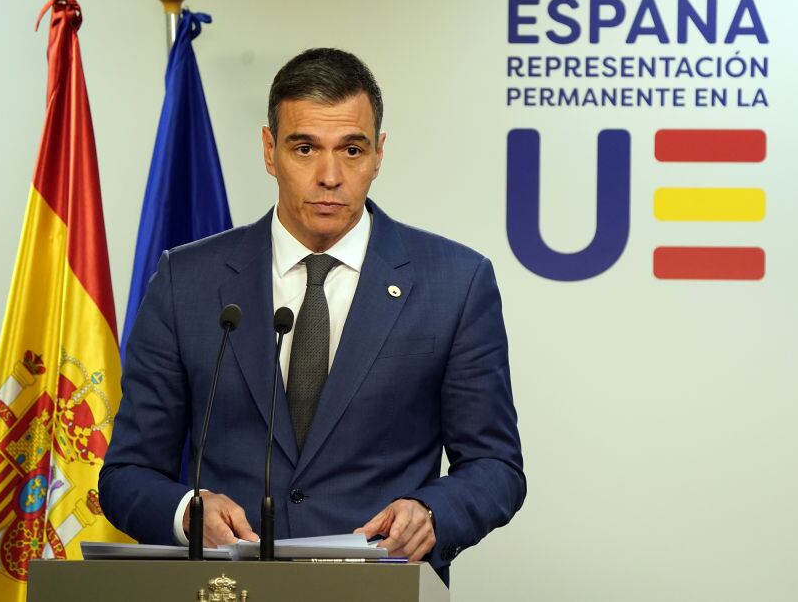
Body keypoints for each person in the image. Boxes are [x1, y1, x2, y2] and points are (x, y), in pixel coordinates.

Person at [99, 48, 525, 582]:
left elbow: (496, 467)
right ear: (269, 151)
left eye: (352, 149)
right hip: (228, 589)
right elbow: (126, 474)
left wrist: (433, 513)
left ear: (378, 154)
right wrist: (187, 512)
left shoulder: (455, 282)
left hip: (379, 588)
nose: (330, 175)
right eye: (305, 148)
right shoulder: (188, 281)